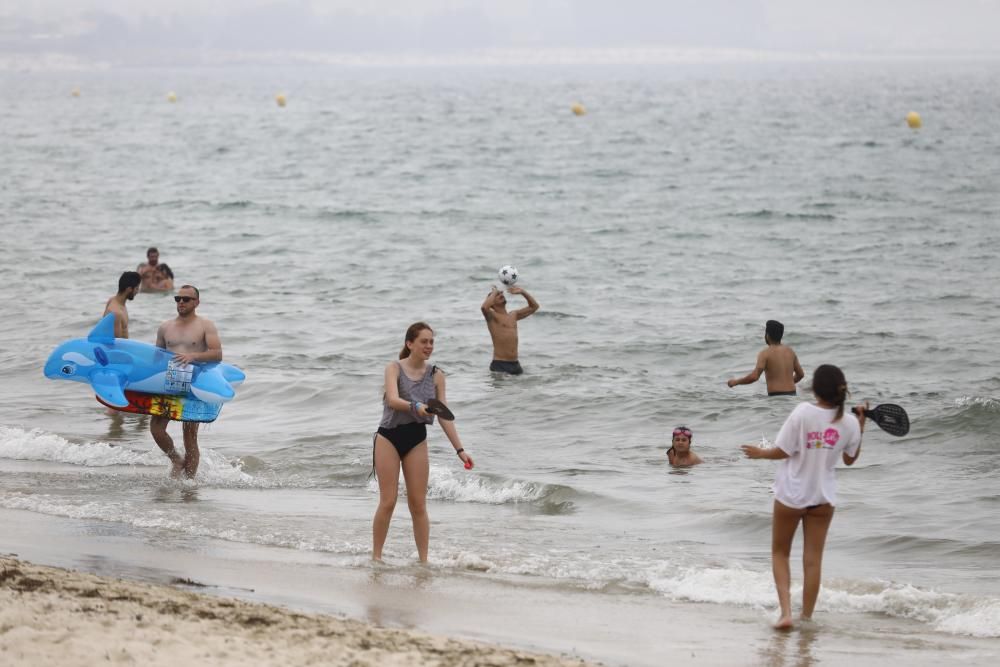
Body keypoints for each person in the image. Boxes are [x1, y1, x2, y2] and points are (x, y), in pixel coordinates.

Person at [740, 364, 867, 630]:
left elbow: (784, 450)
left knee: (779, 552)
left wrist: (760, 453)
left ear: (814, 388)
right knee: (812, 561)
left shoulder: (803, 412)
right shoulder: (851, 422)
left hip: (791, 494)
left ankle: (786, 613)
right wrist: (861, 426)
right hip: (823, 498)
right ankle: (806, 618)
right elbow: (849, 459)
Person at [372, 322, 473, 563]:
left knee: (418, 505)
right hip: (388, 437)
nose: (429, 346)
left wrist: (460, 450)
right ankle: (376, 558)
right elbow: (394, 401)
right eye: (424, 341)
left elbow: (443, 414)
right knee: (388, 501)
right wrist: (417, 406)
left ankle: (423, 561)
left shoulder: (436, 375)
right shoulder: (393, 368)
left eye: (431, 342)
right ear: (410, 344)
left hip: (416, 438)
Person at [150, 285, 222, 479]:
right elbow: (156, 358)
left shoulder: (206, 325)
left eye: (186, 299)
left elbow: (217, 354)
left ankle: (188, 485)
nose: (181, 302)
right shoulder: (165, 327)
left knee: (189, 437)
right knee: (156, 429)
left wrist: (193, 357)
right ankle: (176, 459)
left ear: (196, 302)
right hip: (169, 382)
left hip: (194, 384)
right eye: (178, 298)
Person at [728, 320, 804, 396]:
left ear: (767, 335)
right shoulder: (790, 352)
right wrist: (787, 382)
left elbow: (754, 377)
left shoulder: (765, 353)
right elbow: (800, 374)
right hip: (792, 395)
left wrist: (735, 382)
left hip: (776, 397)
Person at [481, 285, 540, 375]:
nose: (501, 294)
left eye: (501, 293)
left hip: (515, 364)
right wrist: (494, 292)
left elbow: (534, 307)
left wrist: (523, 292)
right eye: (497, 295)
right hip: (500, 365)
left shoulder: (513, 315)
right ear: (492, 303)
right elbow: (484, 307)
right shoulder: (492, 317)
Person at [102, 271, 141, 339]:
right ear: (129, 289)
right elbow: (117, 342)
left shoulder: (112, 300)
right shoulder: (116, 313)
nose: (137, 292)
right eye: (136, 288)